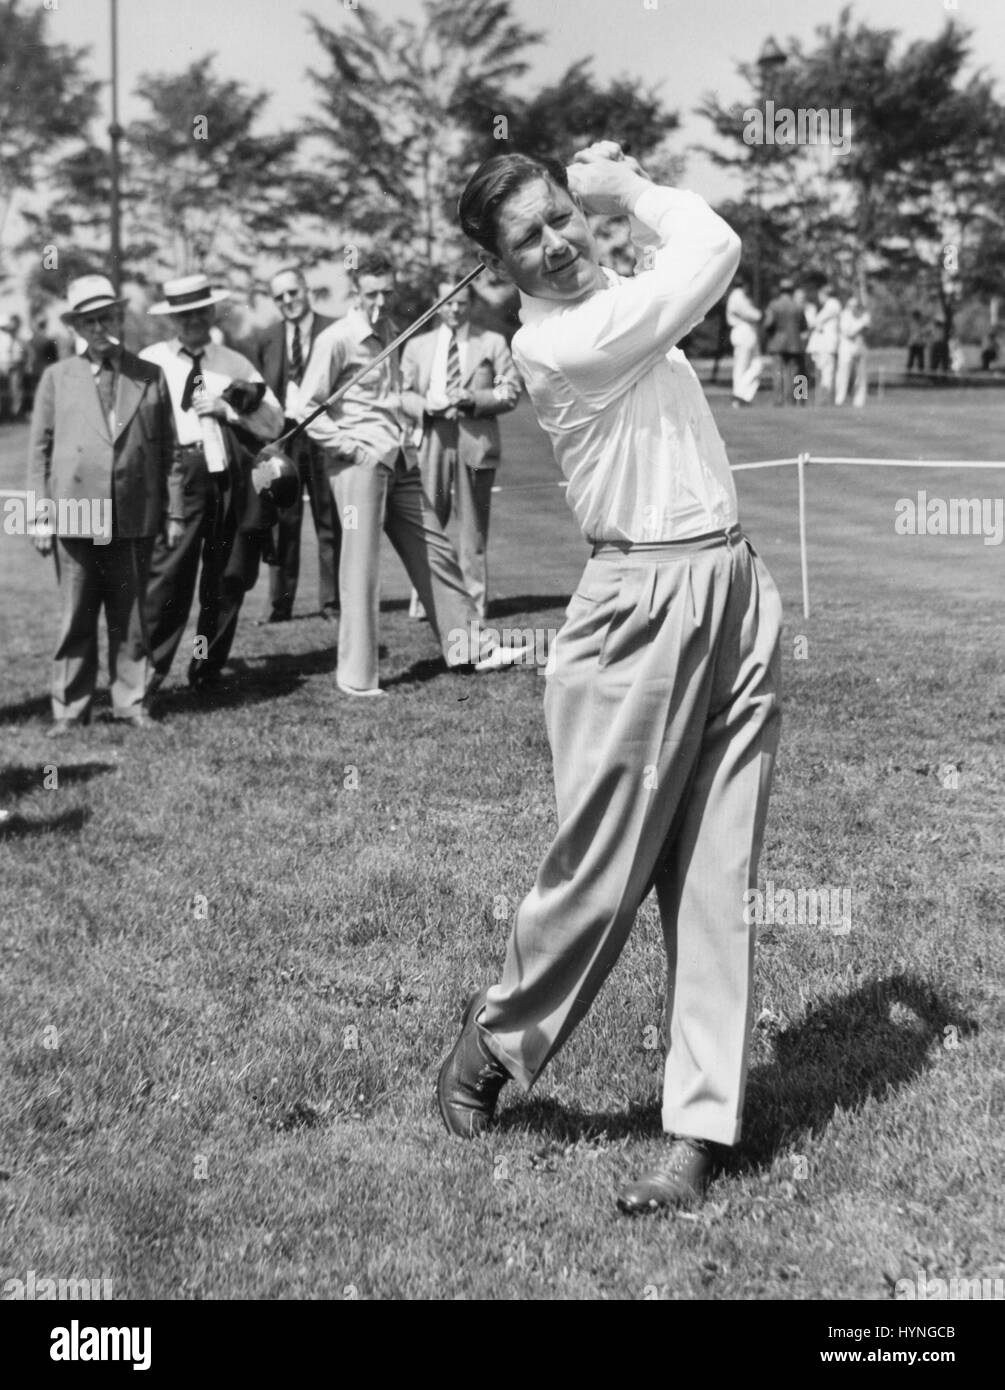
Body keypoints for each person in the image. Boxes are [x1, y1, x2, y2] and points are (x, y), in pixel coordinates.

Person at [437, 143, 783, 1215]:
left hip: (732, 582)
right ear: (499, 271)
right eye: (529, 238)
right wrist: (629, 188)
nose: (557, 241)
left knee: (716, 879)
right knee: (603, 869)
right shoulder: (565, 341)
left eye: (560, 216)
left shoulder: (620, 299)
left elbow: (687, 255)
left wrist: (621, 211)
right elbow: (714, 243)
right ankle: (495, 1038)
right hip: (638, 605)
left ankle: (696, 1128)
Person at [296, 252, 528, 697]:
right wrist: (353, 448)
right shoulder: (337, 339)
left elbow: (392, 398)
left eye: (388, 292)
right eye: (372, 294)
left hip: (398, 458)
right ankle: (357, 678)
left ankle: (470, 647)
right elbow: (306, 408)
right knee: (361, 570)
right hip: (359, 464)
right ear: (356, 292)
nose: (381, 301)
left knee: (435, 550)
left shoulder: (388, 333)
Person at [26, 275, 174, 735]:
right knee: (76, 614)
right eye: (89, 320)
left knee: (130, 616)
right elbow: (39, 451)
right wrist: (39, 515)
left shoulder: (148, 374)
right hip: (74, 512)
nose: (99, 326)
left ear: (118, 318)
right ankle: (70, 706)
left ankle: (131, 701)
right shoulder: (57, 377)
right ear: (77, 326)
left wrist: (169, 512)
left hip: (133, 510)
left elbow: (167, 451)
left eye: (106, 316)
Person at [139, 273, 284, 694]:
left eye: (200, 311)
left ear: (211, 312)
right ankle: (147, 675)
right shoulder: (152, 362)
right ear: (172, 319)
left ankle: (206, 669)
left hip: (227, 480)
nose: (193, 320)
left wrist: (229, 410)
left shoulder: (234, 363)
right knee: (169, 579)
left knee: (225, 581)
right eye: (184, 314)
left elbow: (274, 421)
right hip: (177, 476)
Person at [400, 276, 521, 619]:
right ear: (436, 304)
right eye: (447, 302)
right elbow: (401, 395)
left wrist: (473, 398)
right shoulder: (417, 346)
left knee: (472, 529)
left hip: (474, 439)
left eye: (461, 303)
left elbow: (510, 391)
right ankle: (426, 600)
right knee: (428, 524)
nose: (454, 309)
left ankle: (475, 602)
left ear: (471, 305)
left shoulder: (492, 342)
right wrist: (425, 405)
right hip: (432, 437)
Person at [252, 266, 341, 623]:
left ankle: (331, 604)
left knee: (328, 519)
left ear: (306, 290)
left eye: (292, 292)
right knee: (282, 522)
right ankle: (281, 605)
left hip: (323, 433)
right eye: (279, 297)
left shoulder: (333, 330)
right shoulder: (267, 337)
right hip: (283, 437)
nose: (287, 301)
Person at [762, 277, 806, 406]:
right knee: (794, 374)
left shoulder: (774, 305)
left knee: (778, 373)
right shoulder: (798, 306)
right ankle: (792, 401)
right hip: (795, 344)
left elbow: (768, 324)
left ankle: (778, 401)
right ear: (792, 291)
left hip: (778, 343)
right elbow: (804, 326)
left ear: (780, 290)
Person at [724, 273, 762, 407]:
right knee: (741, 367)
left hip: (747, 331)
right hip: (743, 330)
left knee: (756, 365)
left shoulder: (739, 296)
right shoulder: (737, 295)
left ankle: (742, 395)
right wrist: (759, 315)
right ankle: (739, 396)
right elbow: (750, 313)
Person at [806, 280, 841, 405]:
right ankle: (819, 400)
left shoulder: (832, 304)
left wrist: (809, 312)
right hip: (821, 347)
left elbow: (814, 322)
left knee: (826, 374)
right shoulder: (830, 306)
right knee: (821, 373)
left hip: (825, 346)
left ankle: (824, 400)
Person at [835, 292, 871, 407]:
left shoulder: (864, 315)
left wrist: (861, 325)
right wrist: (861, 325)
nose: (854, 308)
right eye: (852, 306)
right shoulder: (845, 315)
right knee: (843, 374)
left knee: (860, 376)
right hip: (846, 347)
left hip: (860, 346)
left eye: (856, 306)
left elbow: (867, 329)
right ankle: (840, 398)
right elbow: (848, 332)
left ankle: (859, 400)